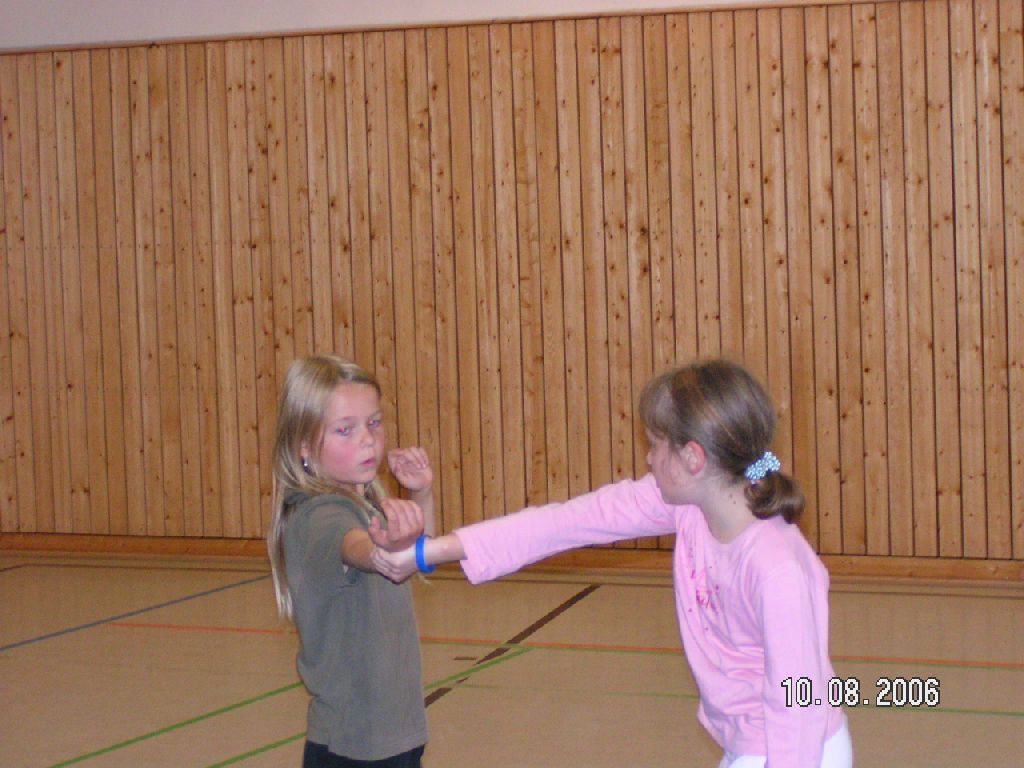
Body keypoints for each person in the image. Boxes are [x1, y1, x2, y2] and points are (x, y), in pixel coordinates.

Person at [373, 359, 853, 768]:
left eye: (655, 444)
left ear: (692, 458)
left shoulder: (777, 568)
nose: (648, 458)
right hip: (751, 742)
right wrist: (429, 552)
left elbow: (800, 702)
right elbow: (565, 522)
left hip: (797, 750)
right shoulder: (689, 507)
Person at [267, 354, 434, 768]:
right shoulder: (318, 515)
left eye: (373, 423)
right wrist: (382, 549)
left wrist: (421, 495)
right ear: (305, 446)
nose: (367, 440)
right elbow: (358, 549)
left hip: (393, 734)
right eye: (346, 430)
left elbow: (414, 556)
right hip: (352, 746)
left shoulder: (364, 504)